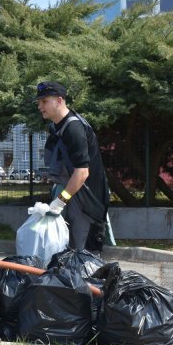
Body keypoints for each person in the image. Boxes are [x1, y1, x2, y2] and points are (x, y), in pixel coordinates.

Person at [36, 81, 110, 253]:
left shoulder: (74, 129)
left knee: (84, 255)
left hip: (87, 200)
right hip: (72, 194)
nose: (40, 106)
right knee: (66, 251)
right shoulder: (55, 125)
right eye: (39, 102)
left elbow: (82, 173)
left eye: (44, 101)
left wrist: (61, 200)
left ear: (59, 100)